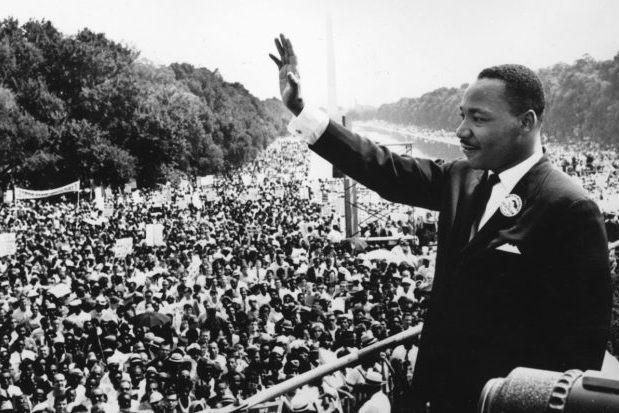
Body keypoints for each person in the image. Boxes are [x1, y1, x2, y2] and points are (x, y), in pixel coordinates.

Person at [270, 34, 612, 413]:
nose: (461, 130)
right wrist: (302, 110)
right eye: (462, 115)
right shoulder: (462, 177)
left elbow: (578, 353)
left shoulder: (570, 208)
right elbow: (384, 168)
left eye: (478, 118)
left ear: (525, 122)